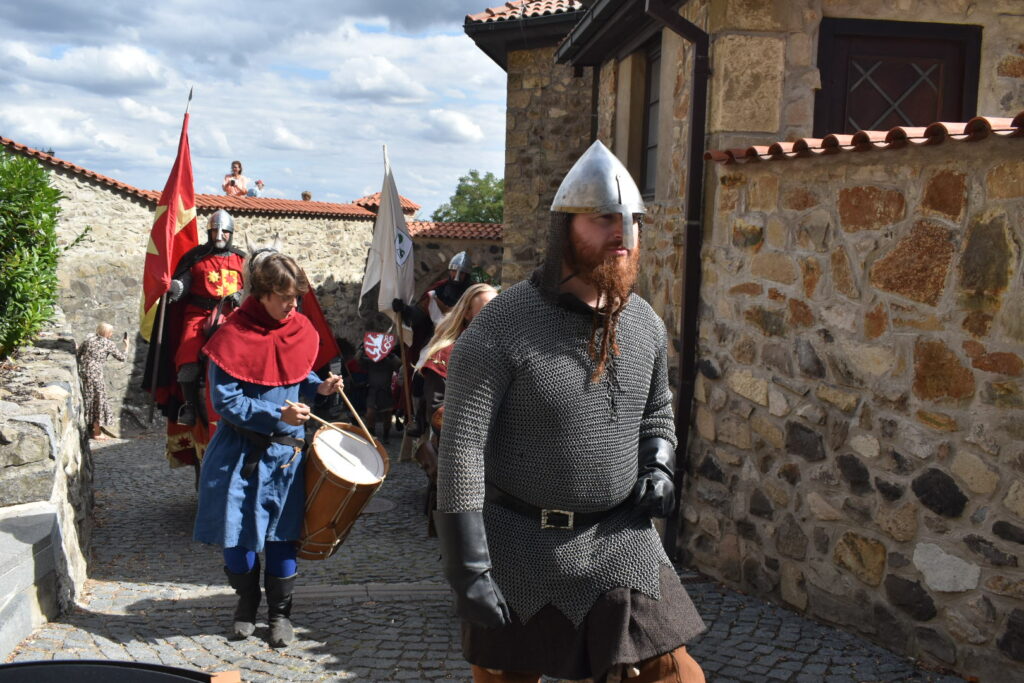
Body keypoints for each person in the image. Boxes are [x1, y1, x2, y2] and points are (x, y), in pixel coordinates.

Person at [435, 141, 706, 682]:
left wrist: (657, 464)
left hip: (620, 539)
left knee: (677, 676)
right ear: (565, 228)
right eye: (604, 218)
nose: (622, 234)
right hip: (519, 543)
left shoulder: (644, 323)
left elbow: (656, 409)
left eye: (632, 221)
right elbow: (462, 450)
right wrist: (468, 569)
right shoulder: (502, 326)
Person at [193, 252, 343, 648]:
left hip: (286, 456)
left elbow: (294, 371)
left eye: (295, 297)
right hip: (239, 454)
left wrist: (318, 386)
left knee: (282, 538)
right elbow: (226, 402)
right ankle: (246, 603)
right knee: (237, 542)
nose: (292, 305)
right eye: (284, 297)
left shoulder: (298, 328)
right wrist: (277, 413)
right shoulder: (230, 336)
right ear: (260, 294)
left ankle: (280, 614)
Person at [414, 283, 497, 535]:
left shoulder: (505, 350)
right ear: (468, 313)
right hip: (461, 454)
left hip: (500, 453)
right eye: (485, 308)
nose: (493, 313)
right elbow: (437, 412)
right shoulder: (446, 355)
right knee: (465, 536)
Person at [77, 322, 128, 440]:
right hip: (96, 374)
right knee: (98, 400)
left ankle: (91, 427)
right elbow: (122, 358)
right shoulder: (108, 344)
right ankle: (97, 432)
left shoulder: (88, 339)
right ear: (107, 333)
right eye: (111, 332)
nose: (112, 334)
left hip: (85, 372)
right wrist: (126, 347)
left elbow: (78, 353)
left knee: (90, 399)